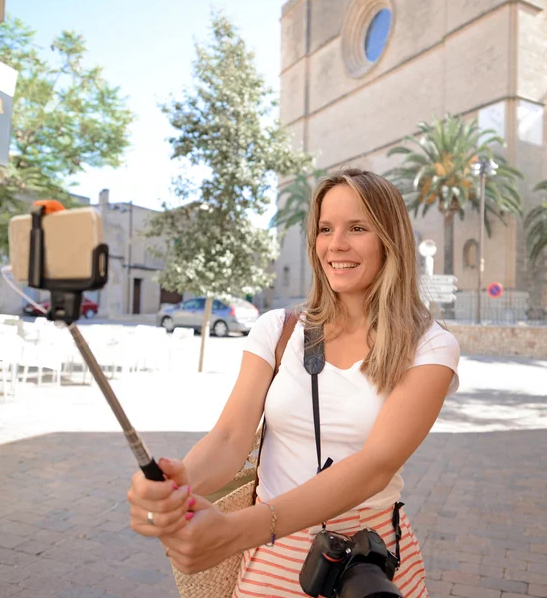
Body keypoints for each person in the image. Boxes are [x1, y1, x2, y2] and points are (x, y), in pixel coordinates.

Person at [127, 168, 460, 598]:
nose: (335, 244)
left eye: (357, 228)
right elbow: (230, 437)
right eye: (325, 229)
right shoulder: (279, 329)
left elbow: (374, 466)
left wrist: (235, 531)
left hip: (370, 563)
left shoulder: (430, 346)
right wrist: (176, 487)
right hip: (272, 555)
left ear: (389, 240)